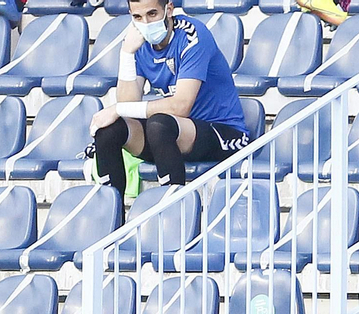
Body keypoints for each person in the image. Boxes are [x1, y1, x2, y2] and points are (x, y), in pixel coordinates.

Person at [88, 0, 251, 195]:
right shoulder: (138, 42)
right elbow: (128, 104)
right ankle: (113, 219)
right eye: (137, 17)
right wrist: (126, 54)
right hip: (172, 136)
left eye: (152, 14)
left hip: (223, 133)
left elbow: (181, 106)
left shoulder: (193, 35)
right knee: (109, 130)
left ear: (169, 9)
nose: (146, 23)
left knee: (159, 125)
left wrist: (117, 109)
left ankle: (172, 213)